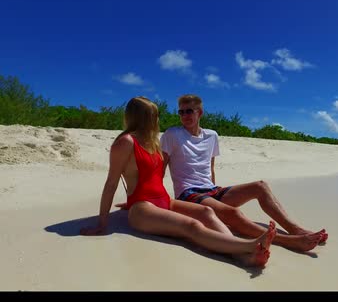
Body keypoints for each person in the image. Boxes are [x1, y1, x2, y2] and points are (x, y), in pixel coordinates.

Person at [80, 96, 276, 268]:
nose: (157, 119)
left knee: (207, 212)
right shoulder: (126, 142)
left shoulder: (153, 141)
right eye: (153, 115)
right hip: (142, 207)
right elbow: (111, 183)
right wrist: (102, 223)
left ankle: (240, 255)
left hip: (163, 201)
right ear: (140, 117)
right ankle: (248, 246)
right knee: (191, 226)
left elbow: (154, 176)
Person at [159, 94, 328, 252]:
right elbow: (161, 166)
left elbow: (210, 168)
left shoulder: (211, 136)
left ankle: (295, 229)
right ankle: (289, 241)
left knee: (260, 186)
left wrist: (216, 193)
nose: (184, 115)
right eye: (181, 112)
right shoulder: (172, 134)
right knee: (233, 214)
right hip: (189, 193)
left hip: (211, 189)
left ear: (200, 112)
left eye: (189, 111)